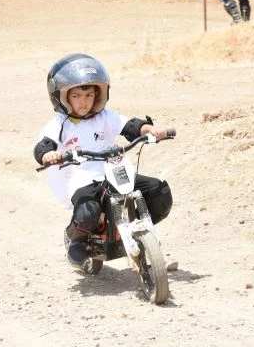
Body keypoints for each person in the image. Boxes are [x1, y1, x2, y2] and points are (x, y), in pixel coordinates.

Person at [33, 53, 174, 271]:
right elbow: (44, 145)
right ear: (63, 97)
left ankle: (140, 232)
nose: (84, 101)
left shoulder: (105, 116)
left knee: (159, 192)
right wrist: (47, 155)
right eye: (77, 96)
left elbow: (131, 126)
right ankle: (76, 238)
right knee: (88, 212)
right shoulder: (60, 123)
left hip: (113, 172)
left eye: (89, 95)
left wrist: (151, 130)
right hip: (82, 178)